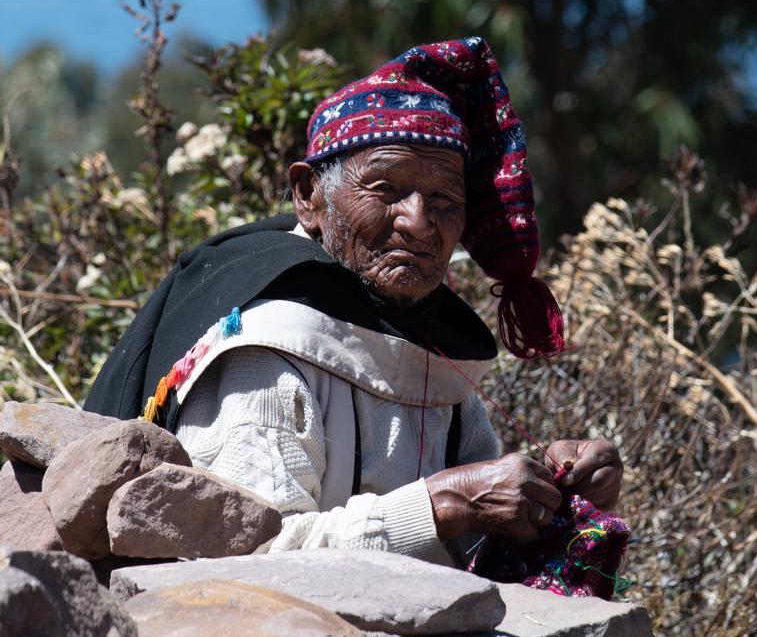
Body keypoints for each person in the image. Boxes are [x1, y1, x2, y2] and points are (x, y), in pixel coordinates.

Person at [84, 37, 623, 567]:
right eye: (385, 188)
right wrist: (447, 504)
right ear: (308, 196)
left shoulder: (429, 352)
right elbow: (250, 555)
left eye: (444, 199)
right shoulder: (267, 349)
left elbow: (475, 551)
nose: (418, 223)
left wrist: (553, 496)